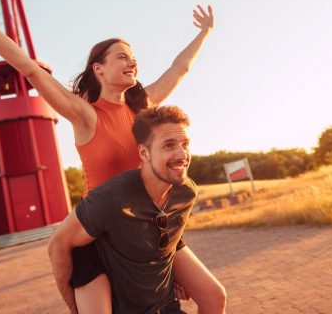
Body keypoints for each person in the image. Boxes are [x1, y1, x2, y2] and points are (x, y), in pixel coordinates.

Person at [0, 0, 226, 313]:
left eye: (133, 56)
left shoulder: (142, 110)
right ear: (99, 69)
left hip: (144, 225)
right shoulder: (85, 115)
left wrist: (204, 32)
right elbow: (28, 69)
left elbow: (179, 69)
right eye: (122, 56)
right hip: (98, 232)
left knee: (214, 296)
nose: (131, 61)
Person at [49, 105, 221, 313]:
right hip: (110, 290)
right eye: (168, 146)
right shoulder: (111, 198)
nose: (182, 154)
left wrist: (177, 275)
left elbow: (168, 244)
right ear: (144, 153)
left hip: (158, 298)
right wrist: (73, 305)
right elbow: (58, 245)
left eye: (185, 144)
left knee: (216, 297)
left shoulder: (186, 193)